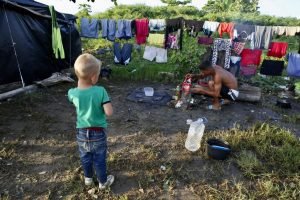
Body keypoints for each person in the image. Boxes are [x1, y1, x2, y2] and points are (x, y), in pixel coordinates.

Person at [68, 53, 114, 189]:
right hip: (98, 133)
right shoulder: (100, 91)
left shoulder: (72, 93)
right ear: (94, 77)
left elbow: (72, 97)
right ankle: (103, 182)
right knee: (99, 159)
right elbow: (109, 112)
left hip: (81, 133)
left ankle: (88, 179)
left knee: (85, 157)